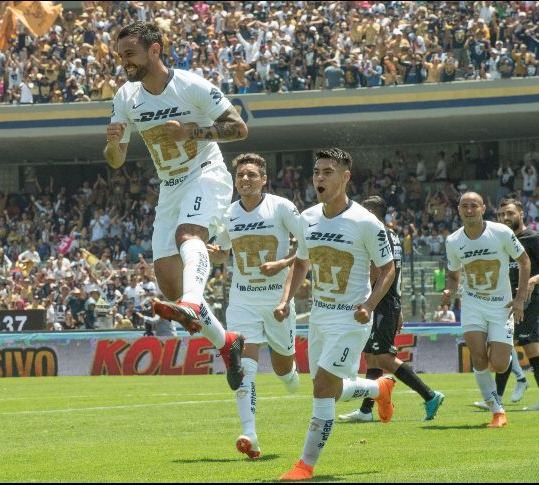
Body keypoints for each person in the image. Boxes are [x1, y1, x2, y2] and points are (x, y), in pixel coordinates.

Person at [104, 22, 248, 390]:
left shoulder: (191, 86)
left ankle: (194, 302)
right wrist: (113, 144)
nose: (125, 62)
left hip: (206, 171)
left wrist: (192, 133)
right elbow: (116, 161)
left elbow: (238, 128)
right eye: (121, 56)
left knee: (189, 234)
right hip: (170, 188)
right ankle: (226, 343)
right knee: (170, 286)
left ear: (155, 50)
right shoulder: (126, 96)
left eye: (131, 54)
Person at [274, 148, 396, 481]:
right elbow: (301, 261)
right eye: (316, 172)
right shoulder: (307, 217)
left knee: (322, 388)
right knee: (328, 386)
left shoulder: (365, 222)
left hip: (351, 318)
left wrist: (369, 305)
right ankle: (378, 389)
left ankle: (305, 465)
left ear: (345, 177)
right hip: (319, 316)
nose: (320, 178)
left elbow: (387, 268)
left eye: (328, 171)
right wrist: (286, 300)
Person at [207, 153, 303, 460]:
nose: (245, 180)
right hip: (243, 299)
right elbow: (223, 252)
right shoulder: (228, 213)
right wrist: (215, 254)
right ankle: (250, 434)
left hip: (277, 300)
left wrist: (283, 262)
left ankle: (291, 375)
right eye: (240, 176)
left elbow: (308, 245)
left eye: (251, 175)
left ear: (264, 180)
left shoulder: (282, 207)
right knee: (243, 367)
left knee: (284, 372)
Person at [338, 195, 444, 424]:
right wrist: (400, 307)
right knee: (373, 357)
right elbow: (396, 272)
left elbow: (376, 271)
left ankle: (430, 395)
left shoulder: (376, 233)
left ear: (371, 212)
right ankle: (366, 410)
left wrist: (361, 295)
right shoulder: (392, 235)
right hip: (389, 301)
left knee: (384, 357)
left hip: (380, 302)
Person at [442, 192, 530, 428]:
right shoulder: (453, 241)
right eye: (464, 206)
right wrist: (449, 291)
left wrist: (520, 298)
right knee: (478, 358)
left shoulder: (500, 232)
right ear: (458, 210)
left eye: (474, 206)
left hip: (502, 305)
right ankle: (496, 409)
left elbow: (524, 261)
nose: (469, 210)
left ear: (483, 209)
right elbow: (453, 274)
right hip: (472, 304)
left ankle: (504, 393)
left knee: (500, 363)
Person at [469, 198, 539, 411]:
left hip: (531, 301)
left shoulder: (532, 239)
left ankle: (498, 397)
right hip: (505, 301)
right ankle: (497, 398)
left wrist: (533, 280)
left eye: (509, 213)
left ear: (521, 213)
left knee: (531, 347)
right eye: (501, 215)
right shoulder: (502, 239)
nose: (505, 218)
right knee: (503, 346)